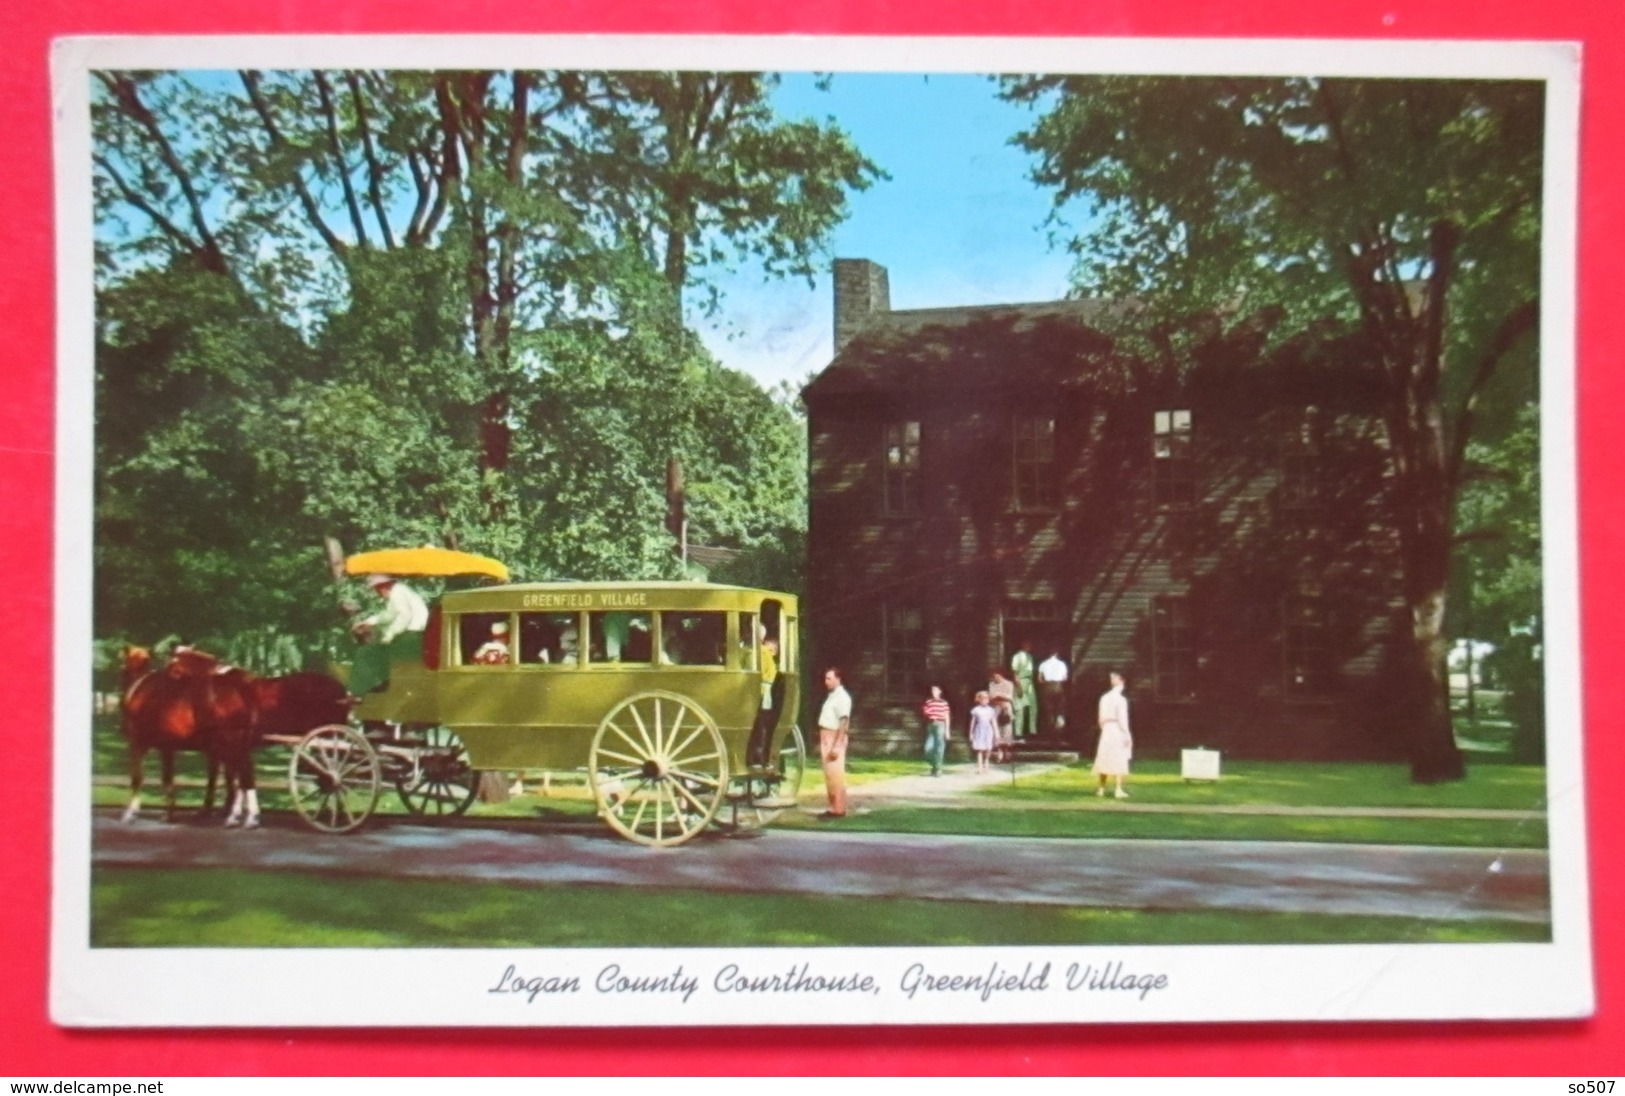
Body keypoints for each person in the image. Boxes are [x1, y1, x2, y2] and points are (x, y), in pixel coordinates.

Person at [348, 574, 430, 695]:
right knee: (379, 650)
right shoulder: (398, 592)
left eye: (377, 589)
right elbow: (389, 615)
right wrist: (369, 622)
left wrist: (389, 634)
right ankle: (381, 684)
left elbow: (405, 616)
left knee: (368, 652)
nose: (377, 593)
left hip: (412, 636)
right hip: (411, 635)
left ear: (383, 586)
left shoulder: (398, 592)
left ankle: (359, 690)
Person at [816, 667, 852, 818]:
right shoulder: (832, 696)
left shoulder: (842, 697)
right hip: (826, 734)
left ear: (838, 679)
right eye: (826, 678)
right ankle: (832, 806)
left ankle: (838, 809)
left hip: (834, 735)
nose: (826, 682)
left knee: (835, 773)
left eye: (829, 678)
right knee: (829, 774)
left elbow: (843, 722)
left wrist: (837, 746)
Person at [1094, 670, 1133, 799]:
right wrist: (1127, 734)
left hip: (1106, 729)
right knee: (1118, 757)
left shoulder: (1104, 698)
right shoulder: (1121, 700)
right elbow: (1123, 719)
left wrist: (1103, 727)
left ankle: (1101, 788)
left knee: (1104, 756)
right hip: (1117, 728)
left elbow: (1100, 718)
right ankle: (1118, 789)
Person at [1038, 649, 1070, 737]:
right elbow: (1065, 678)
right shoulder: (1062, 664)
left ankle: (1050, 730)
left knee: (1049, 710)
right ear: (1057, 653)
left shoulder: (1043, 664)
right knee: (1059, 709)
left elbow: (1040, 679)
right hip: (1058, 686)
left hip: (1047, 687)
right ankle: (1058, 730)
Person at [920, 685, 951, 776]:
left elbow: (947, 716)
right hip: (931, 724)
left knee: (939, 747)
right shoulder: (929, 702)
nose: (934, 693)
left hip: (940, 724)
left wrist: (947, 730)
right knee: (928, 748)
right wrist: (930, 714)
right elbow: (925, 711)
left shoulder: (944, 703)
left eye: (936, 691)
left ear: (940, 692)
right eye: (933, 691)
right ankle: (935, 765)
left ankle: (937, 769)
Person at [968, 690, 999, 774]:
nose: (985, 700)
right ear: (980, 700)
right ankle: (980, 766)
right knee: (980, 749)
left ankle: (986, 762)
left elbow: (993, 721)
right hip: (979, 730)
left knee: (988, 748)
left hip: (988, 730)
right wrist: (971, 733)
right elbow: (973, 722)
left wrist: (996, 732)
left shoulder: (991, 710)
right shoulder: (976, 710)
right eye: (983, 699)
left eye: (986, 699)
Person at [1010, 641, 1036, 740]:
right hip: (1021, 681)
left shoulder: (1030, 657)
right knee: (1019, 707)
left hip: (1029, 681)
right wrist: (1019, 686)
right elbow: (1015, 673)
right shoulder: (1017, 657)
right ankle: (1018, 732)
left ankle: (1032, 730)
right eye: (1027, 644)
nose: (1029, 646)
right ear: (1022, 645)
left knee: (1033, 706)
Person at [988, 668, 1015, 761]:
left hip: (1006, 708)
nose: (995, 678)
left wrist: (1000, 695)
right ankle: (999, 752)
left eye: (997, 676)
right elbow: (991, 696)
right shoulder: (992, 684)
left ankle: (1007, 751)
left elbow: (1010, 697)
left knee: (1007, 730)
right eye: (994, 676)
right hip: (996, 708)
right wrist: (999, 698)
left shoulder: (1009, 684)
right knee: (997, 730)